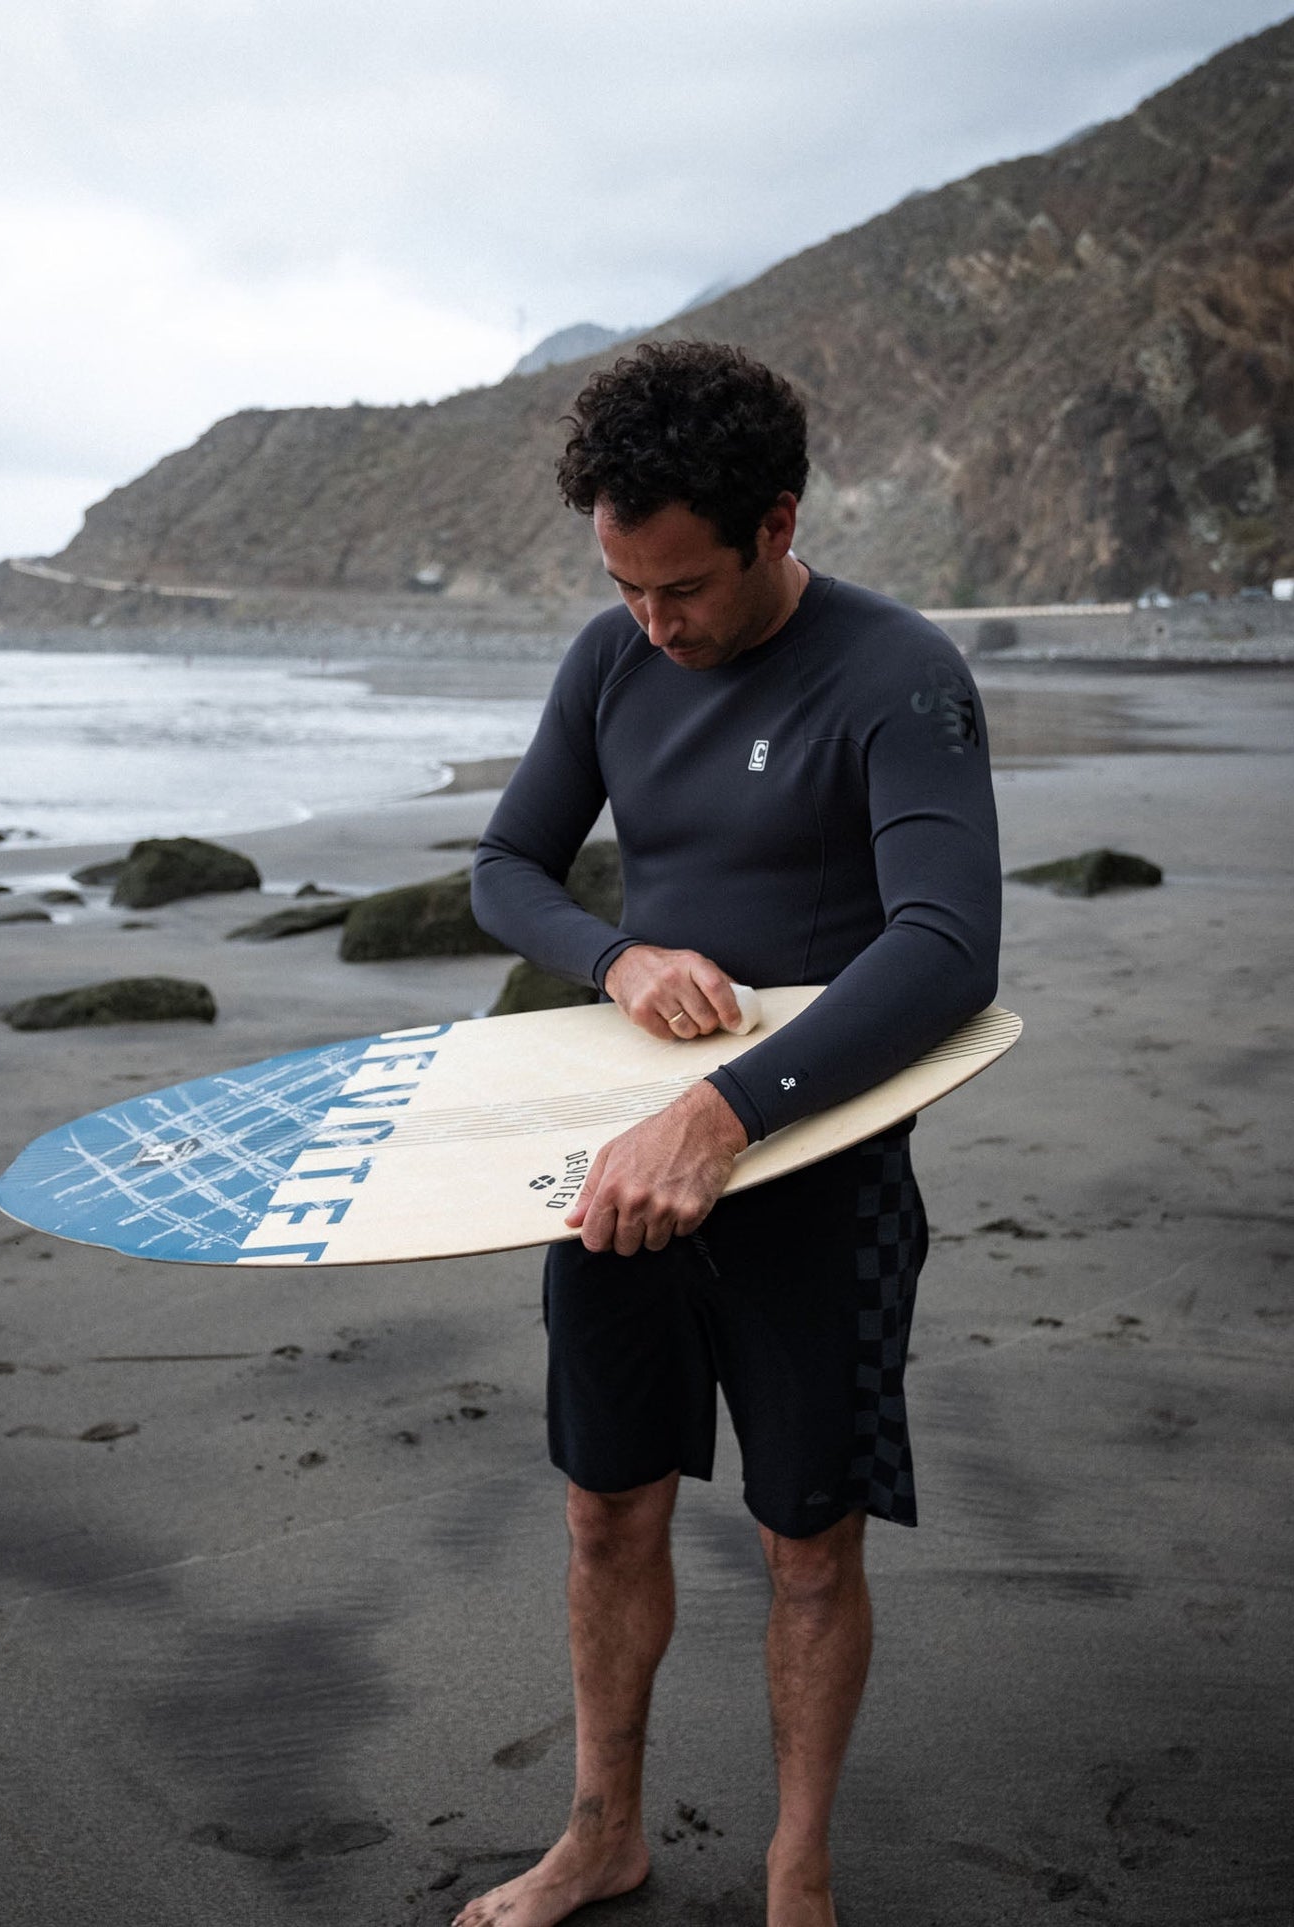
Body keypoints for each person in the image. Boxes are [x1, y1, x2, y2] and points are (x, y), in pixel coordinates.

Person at [461, 341, 1002, 1927]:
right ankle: (602, 1831)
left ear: (775, 523)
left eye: (680, 588)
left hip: (812, 1181)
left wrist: (717, 1114)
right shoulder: (611, 661)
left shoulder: (896, 674)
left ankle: (795, 1875)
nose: (654, 626)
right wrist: (615, 955)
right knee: (602, 1509)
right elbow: (508, 866)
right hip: (620, 1170)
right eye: (624, 587)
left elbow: (945, 946)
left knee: (806, 1546)